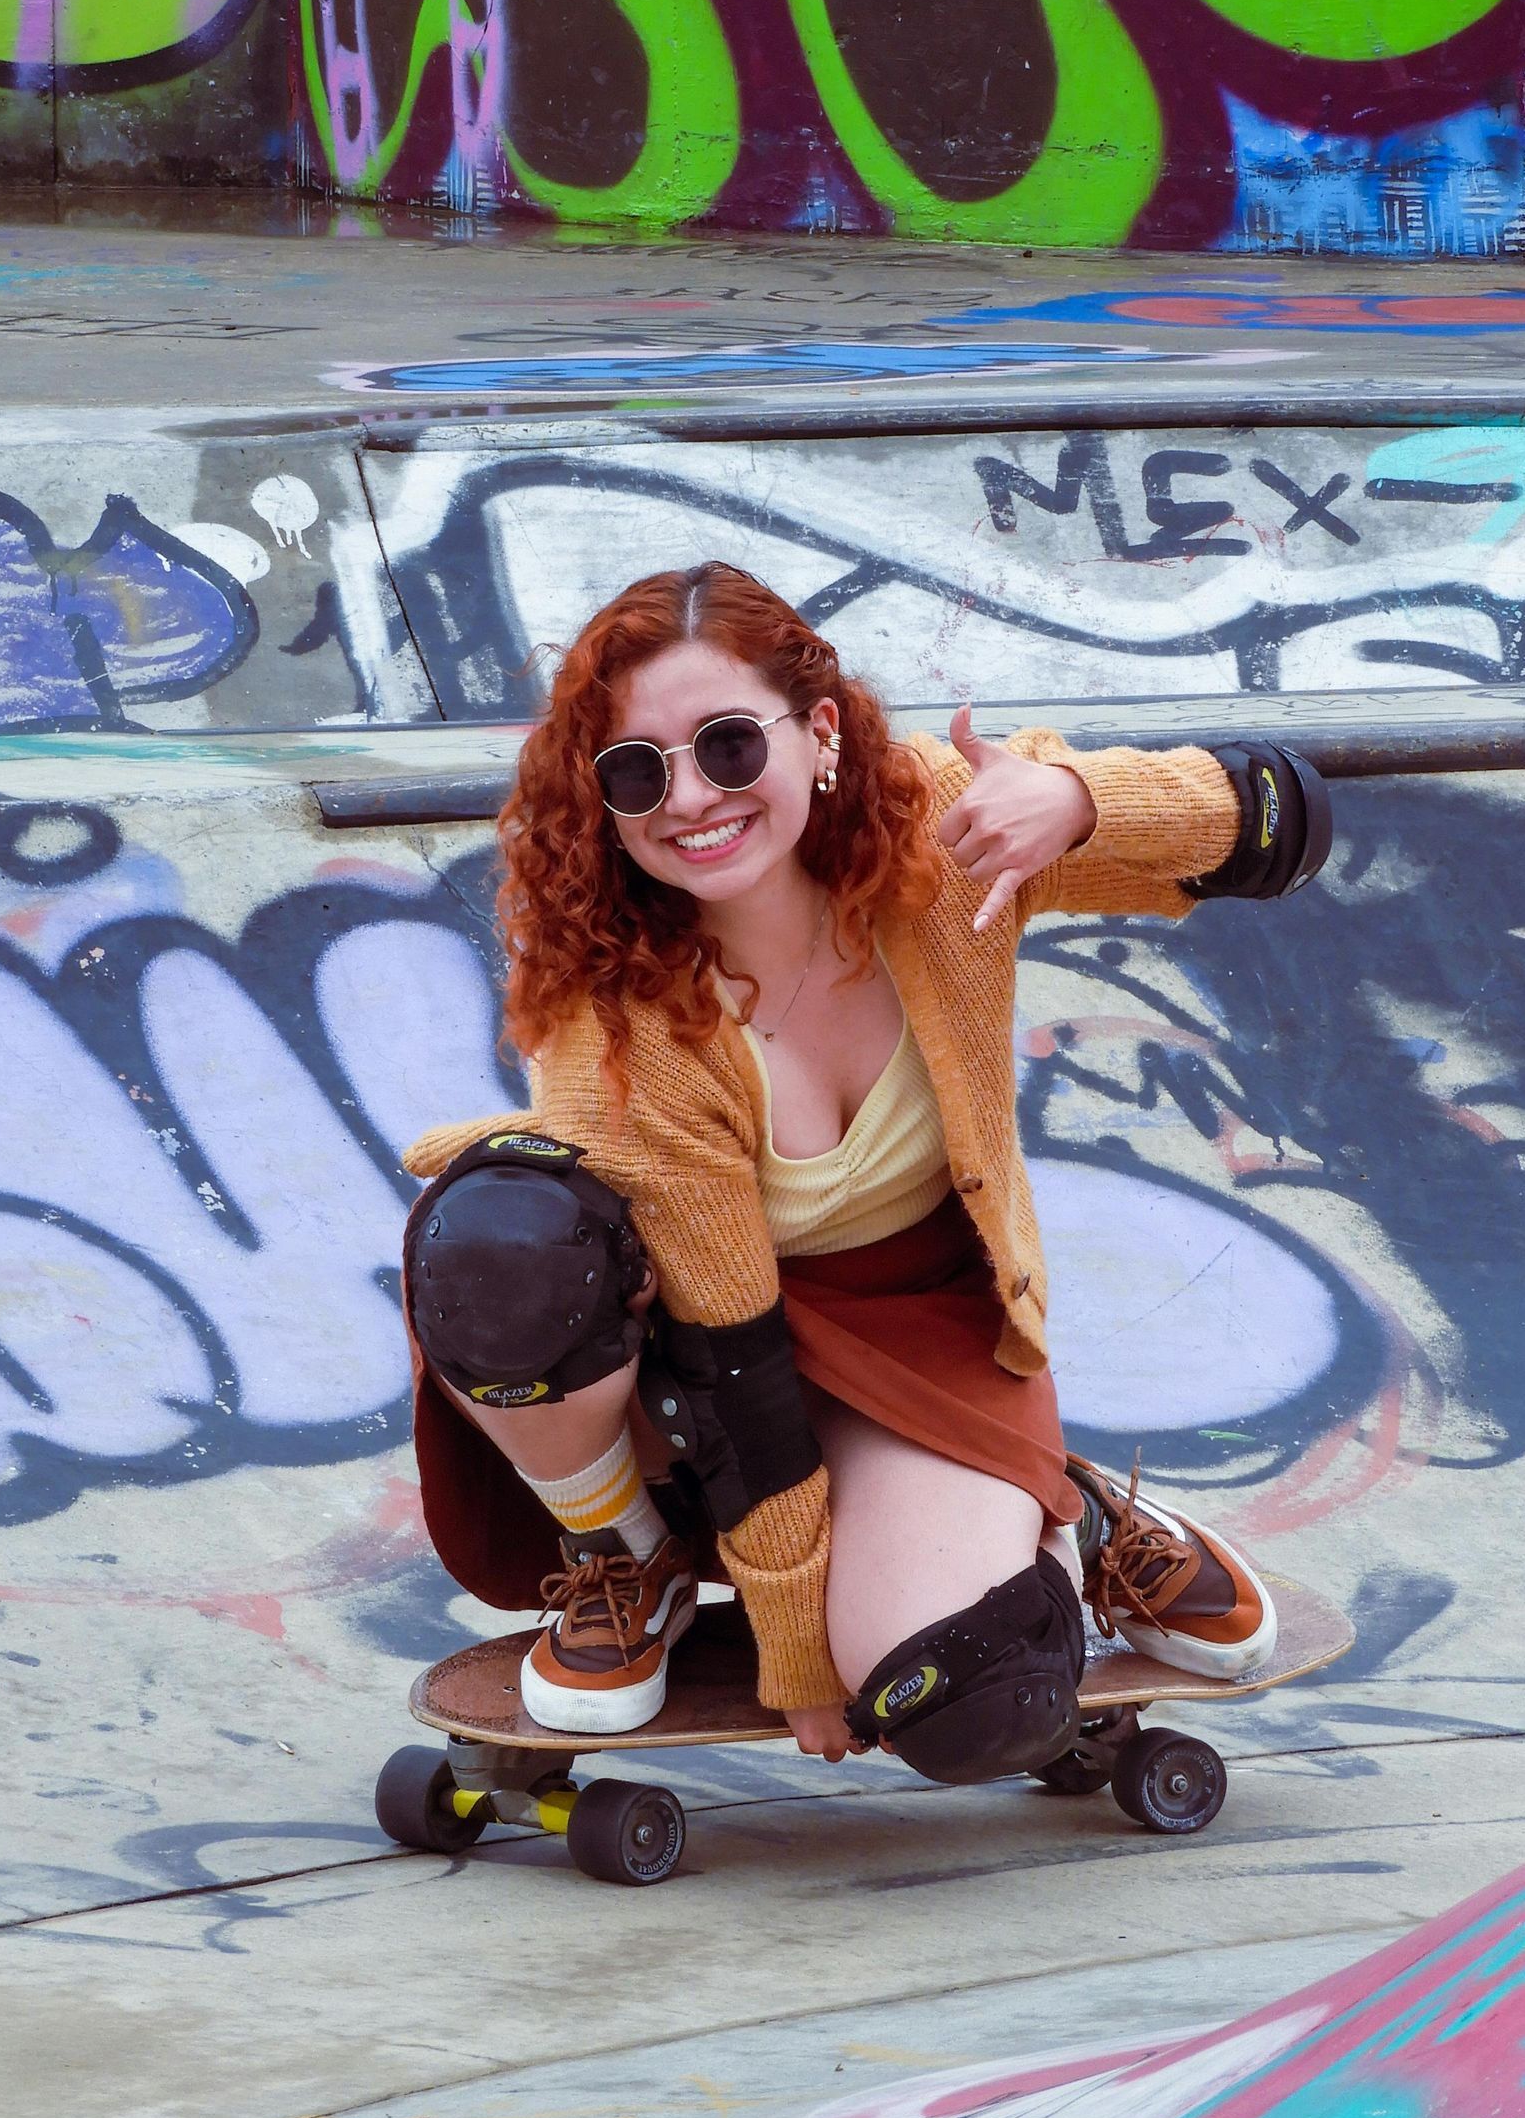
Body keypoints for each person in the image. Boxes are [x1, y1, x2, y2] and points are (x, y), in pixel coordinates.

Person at [401, 564, 1330, 1778]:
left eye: (728, 746)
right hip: (688, 1358)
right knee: (499, 1241)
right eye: (638, 771)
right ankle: (619, 1553)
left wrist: (1079, 802)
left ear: (820, 731)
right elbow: (736, 1358)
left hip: (925, 1326)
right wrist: (794, 1655)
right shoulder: (620, 1010)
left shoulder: (941, 836)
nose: (689, 798)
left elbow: (1284, 822)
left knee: (965, 1705)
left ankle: (1068, 1508)